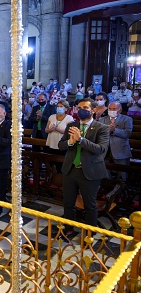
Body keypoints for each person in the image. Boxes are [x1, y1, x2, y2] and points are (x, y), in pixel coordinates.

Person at [58, 98, 109, 230]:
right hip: (71, 169)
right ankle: (68, 229)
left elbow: (101, 149)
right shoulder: (71, 126)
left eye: (85, 108)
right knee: (68, 203)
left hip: (90, 171)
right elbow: (61, 145)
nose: (82, 110)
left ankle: (90, 233)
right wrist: (70, 141)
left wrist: (80, 139)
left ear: (94, 110)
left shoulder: (101, 128)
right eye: (79, 108)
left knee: (89, 205)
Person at [99, 101, 132, 181]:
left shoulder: (127, 119)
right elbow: (99, 133)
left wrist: (114, 130)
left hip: (120, 151)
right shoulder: (102, 119)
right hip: (105, 151)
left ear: (120, 110)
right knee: (106, 176)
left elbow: (127, 133)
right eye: (110, 109)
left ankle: (122, 190)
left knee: (122, 176)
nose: (111, 110)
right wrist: (108, 131)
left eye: (114, 109)